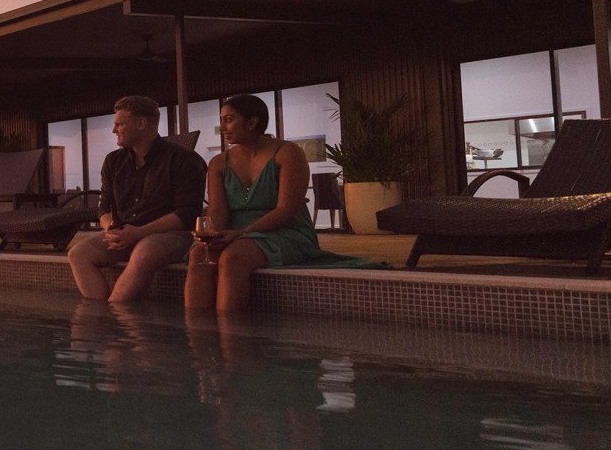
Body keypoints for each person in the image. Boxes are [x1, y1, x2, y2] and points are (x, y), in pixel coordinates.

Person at [186, 94, 379, 312]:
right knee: (199, 255)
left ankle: (232, 339)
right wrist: (214, 234)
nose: (222, 127)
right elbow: (218, 209)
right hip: (235, 232)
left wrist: (241, 234)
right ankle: (197, 339)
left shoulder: (288, 153)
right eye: (221, 120)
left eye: (228, 119)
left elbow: (287, 209)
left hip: (284, 230)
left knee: (234, 257)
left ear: (251, 122)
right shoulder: (219, 162)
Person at [68, 95, 207, 301]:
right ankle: (99, 318)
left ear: (141, 123)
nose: (114, 130)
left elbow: (187, 215)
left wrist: (139, 233)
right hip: (127, 234)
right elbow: (104, 206)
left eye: (119, 124)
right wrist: (110, 230)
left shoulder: (183, 160)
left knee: (144, 251)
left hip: (172, 234)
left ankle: (116, 315)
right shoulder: (114, 161)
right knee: (78, 254)